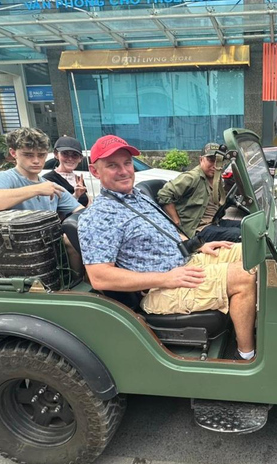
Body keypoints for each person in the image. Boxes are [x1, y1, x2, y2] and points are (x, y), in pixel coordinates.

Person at [78, 135, 257, 360]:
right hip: (159, 289)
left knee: (254, 252)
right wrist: (166, 279)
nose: (124, 171)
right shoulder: (98, 217)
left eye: (126, 163)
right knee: (244, 276)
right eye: (112, 165)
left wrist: (198, 245)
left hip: (185, 263)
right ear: (95, 171)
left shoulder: (137, 197)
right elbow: (100, 277)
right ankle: (247, 356)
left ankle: (259, 321)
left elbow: (167, 232)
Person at [0, 128, 83, 271]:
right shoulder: (4, 178)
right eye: (28, 155)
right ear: (13, 153)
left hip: (48, 247)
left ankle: (79, 282)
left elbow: (81, 212)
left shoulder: (51, 186)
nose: (36, 161)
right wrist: (36, 189)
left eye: (41, 155)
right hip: (15, 251)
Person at [157, 142, 241, 243]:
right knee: (238, 235)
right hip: (198, 229)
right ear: (201, 159)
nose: (215, 165)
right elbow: (164, 194)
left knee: (247, 226)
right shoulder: (192, 177)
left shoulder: (217, 179)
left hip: (214, 222)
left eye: (219, 161)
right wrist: (176, 222)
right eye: (211, 160)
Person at [42, 136, 90, 207]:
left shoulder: (79, 179)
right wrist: (75, 196)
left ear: (80, 158)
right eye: (65, 154)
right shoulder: (48, 179)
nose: (70, 158)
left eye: (75, 155)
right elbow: (51, 208)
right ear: (56, 154)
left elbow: (87, 202)